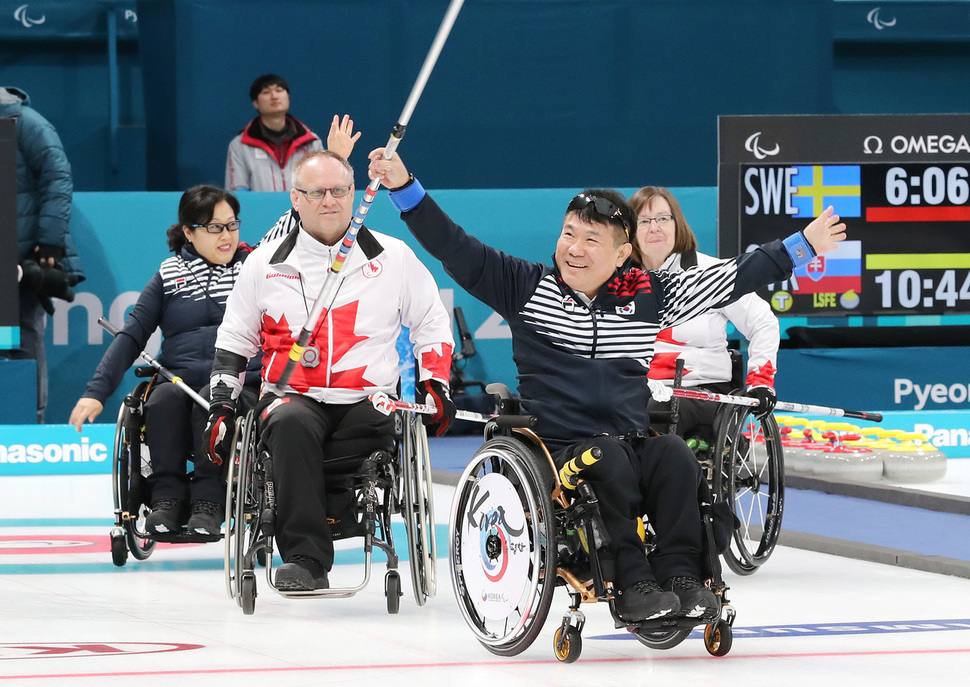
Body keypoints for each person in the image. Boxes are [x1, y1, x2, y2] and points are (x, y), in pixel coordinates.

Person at [367, 149, 846, 623]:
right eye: (568, 234)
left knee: (675, 454)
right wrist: (404, 186)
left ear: (622, 253)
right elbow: (453, 245)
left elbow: (734, 276)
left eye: (591, 239)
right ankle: (633, 584)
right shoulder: (525, 287)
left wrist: (801, 246)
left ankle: (683, 577)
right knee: (609, 456)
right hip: (558, 450)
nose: (574, 248)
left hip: (628, 438)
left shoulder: (650, 297)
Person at [202, 150, 455, 591]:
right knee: (288, 421)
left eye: (340, 190)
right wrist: (222, 404)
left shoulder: (393, 257)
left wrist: (435, 384)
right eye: (317, 192)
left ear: (355, 194)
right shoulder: (263, 263)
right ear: (295, 198)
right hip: (293, 400)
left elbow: (432, 323)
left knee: (375, 418)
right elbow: (235, 340)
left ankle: (337, 511)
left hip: (368, 400)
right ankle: (306, 559)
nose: (331, 201)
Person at [68, 185, 259, 537]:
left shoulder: (254, 268)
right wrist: (96, 392)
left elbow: (300, 221)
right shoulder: (169, 275)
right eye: (214, 227)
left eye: (232, 225)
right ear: (189, 231)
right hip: (179, 379)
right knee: (163, 400)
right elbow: (132, 335)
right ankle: (166, 499)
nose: (227, 236)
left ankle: (209, 501)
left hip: (238, 383)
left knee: (211, 401)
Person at [629, 186, 780, 438]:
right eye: (643, 221)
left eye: (663, 219)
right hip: (639, 392)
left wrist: (761, 381)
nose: (654, 227)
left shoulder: (712, 273)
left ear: (678, 224)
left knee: (652, 412)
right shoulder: (619, 281)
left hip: (702, 394)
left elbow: (762, 322)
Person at [2, 86, 84, 423]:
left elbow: (58, 177)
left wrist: (49, 242)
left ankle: (29, 429)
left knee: (23, 337)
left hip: (23, 256)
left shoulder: (26, 122)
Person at [225, 74, 361, 192]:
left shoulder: (311, 142)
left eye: (279, 90)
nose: (274, 96)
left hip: (303, 216)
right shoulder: (240, 145)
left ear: (288, 98)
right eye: (266, 92)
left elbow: (324, 183)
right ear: (256, 103)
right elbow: (237, 192)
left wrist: (338, 156)